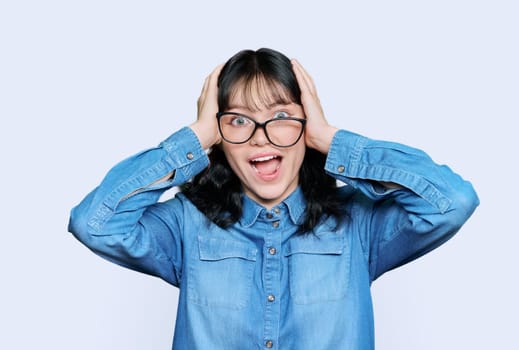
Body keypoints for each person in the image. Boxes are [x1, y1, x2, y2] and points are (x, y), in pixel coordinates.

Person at [68, 48, 479, 349]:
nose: (261, 136)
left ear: (305, 125)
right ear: (220, 137)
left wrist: (331, 140)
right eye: (239, 120)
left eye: (281, 117)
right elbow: (94, 223)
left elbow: (452, 201)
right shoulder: (185, 226)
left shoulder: (358, 224)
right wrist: (192, 140)